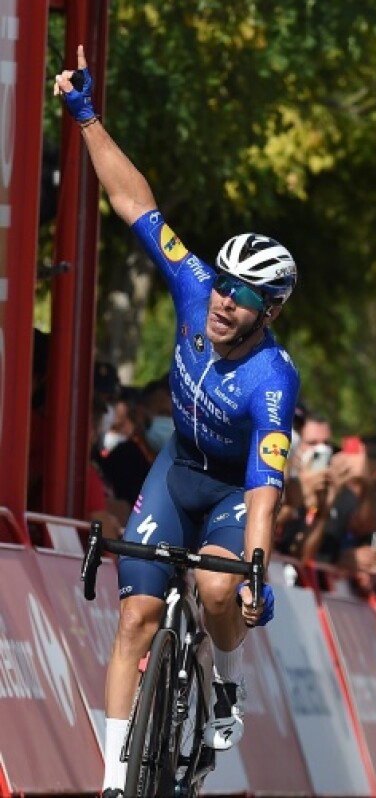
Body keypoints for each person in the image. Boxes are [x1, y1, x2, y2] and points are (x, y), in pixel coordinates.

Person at [56, 47, 295, 796]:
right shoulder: (194, 288)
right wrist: (86, 117)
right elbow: (135, 203)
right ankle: (115, 781)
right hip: (177, 470)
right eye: (224, 285)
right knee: (136, 616)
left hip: (231, 493)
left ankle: (226, 682)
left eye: (245, 296)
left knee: (220, 595)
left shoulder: (273, 380)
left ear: (271, 312)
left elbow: (265, 485)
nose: (225, 302)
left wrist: (254, 570)